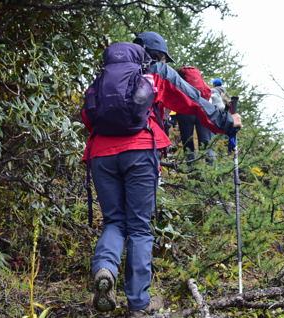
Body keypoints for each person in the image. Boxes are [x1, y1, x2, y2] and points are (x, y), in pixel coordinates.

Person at [81, 31, 242, 317]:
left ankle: (105, 270)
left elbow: (87, 116)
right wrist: (228, 121)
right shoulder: (157, 73)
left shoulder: (106, 74)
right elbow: (194, 102)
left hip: (101, 153)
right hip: (141, 151)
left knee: (114, 222)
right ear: (160, 55)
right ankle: (139, 304)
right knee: (140, 227)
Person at [176, 67, 217, 166]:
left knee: (188, 141)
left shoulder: (179, 81)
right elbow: (208, 96)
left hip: (185, 112)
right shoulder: (202, 83)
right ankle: (211, 170)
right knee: (206, 141)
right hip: (202, 111)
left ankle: (191, 170)